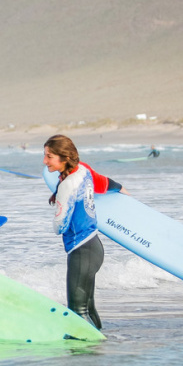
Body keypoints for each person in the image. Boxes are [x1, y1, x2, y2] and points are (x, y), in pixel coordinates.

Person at [43, 134, 125, 330]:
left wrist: (56, 220)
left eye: (49, 157)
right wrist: (121, 189)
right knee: (87, 308)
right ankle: (99, 348)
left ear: (64, 158)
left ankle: (83, 354)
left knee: (77, 311)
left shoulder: (68, 184)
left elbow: (60, 226)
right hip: (93, 246)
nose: (45, 161)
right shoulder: (83, 170)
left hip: (80, 249)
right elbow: (103, 182)